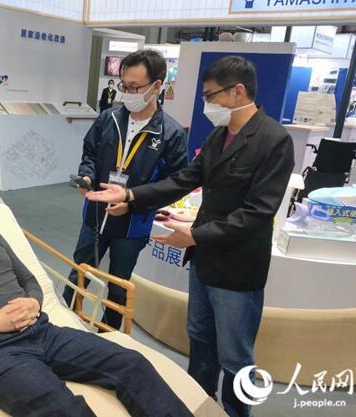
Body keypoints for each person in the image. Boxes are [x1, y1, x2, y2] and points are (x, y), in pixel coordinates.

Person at [86, 56, 294, 417]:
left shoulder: (274, 140)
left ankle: (235, 412)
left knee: (235, 355)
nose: (206, 105)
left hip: (237, 269)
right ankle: (199, 404)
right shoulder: (218, 136)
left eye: (211, 96)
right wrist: (131, 195)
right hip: (203, 262)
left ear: (238, 91)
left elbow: (257, 213)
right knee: (200, 340)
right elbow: (184, 179)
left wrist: (196, 236)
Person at [0, 179, 194, 417]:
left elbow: (29, 280)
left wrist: (34, 301)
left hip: (44, 332)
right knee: (64, 409)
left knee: (131, 363)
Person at [62, 49, 189, 330]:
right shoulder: (108, 119)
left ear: (157, 86)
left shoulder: (171, 134)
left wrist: (133, 202)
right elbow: (90, 153)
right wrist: (87, 176)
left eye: (135, 87)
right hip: (96, 214)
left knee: (118, 287)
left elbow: (175, 183)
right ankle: (63, 325)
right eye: (124, 86)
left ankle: (108, 337)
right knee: (79, 272)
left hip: (133, 224)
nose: (128, 93)